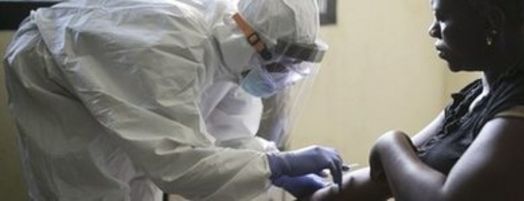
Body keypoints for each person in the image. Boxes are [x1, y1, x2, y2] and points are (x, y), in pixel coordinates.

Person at [3, 0, 344, 200]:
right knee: (95, 187)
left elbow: (222, 142)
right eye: (278, 64)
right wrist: (277, 168)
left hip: (120, 72)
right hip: (52, 68)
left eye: (289, 69)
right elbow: (180, 163)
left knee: (139, 178)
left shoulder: (236, 56)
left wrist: (274, 169)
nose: (278, 76)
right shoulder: (178, 47)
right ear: (250, 38)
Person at [306, 0, 524, 200]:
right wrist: (303, 184)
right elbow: (392, 176)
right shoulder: (476, 96)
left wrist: (390, 144)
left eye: (442, 17)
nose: (432, 30)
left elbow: (417, 174)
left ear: (491, 20)